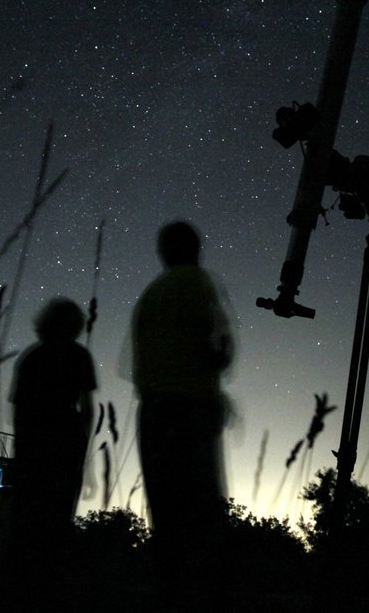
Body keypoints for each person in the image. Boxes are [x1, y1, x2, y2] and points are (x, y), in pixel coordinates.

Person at [128, 220, 235, 608]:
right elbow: (216, 348)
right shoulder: (198, 284)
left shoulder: (150, 295)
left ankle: (169, 595)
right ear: (195, 248)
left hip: (152, 412)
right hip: (190, 409)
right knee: (200, 518)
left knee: (167, 518)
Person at [7, 297, 98, 607]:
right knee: (55, 522)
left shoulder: (32, 358)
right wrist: (81, 446)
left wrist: (21, 452)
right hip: (62, 449)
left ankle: (28, 589)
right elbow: (87, 409)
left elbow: (18, 412)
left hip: (37, 449)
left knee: (31, 522)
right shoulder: (78, 356)